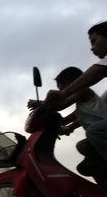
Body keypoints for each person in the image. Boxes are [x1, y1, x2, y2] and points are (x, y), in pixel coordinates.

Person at [46, 21, 107, 183]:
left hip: (99, 129)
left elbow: (96, 71)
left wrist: (52, 99)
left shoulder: (85, 88)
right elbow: (84, 115)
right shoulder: (96, 98)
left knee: (94, 132)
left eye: (94, 41)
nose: (92, 48)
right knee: (84, 148)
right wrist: (67, 126)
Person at [29, 67, 107, 177]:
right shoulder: (82, 105)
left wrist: (41, 104)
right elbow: (67, 120)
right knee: (85, 168)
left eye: (60, 87)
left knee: (83, 146)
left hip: (102, 132)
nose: (61, 91)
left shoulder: (82, 91)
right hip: (100, 134)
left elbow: (61, 105)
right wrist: (64, 127)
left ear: (70, 83)